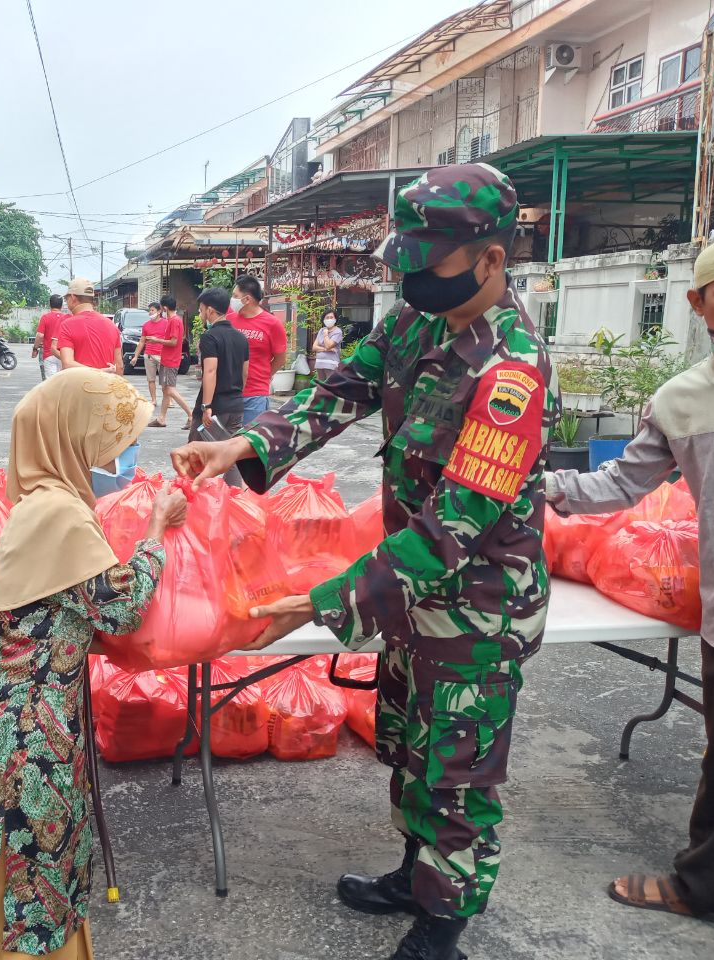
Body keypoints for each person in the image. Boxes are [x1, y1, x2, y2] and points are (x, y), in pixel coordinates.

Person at [171, 163, 556, 960]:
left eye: (431, 263)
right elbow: (339, 390)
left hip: (477, 603)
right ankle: (415, 876)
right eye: (405, 261)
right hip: (412, 594)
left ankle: (444, 922)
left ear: (491, 259)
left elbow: (455, 526)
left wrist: (325, 602)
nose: (412, 279)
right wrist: (244, 442)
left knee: (457, 767)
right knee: (411, 745)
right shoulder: (418, 322)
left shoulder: (509, 371)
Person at [545, 234, 714, 927]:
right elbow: (622, 481)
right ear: (698, 304)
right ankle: (700, 886)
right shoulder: (677, 400)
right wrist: (536, 488)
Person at [0, 368, 188, 960]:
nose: (125, 450)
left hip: (19, 723)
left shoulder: (42, 499)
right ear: (71, 435)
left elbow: (67, 608)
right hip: (26, 740)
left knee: (33, 874)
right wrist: (156, 529)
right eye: (115, 436)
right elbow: (120, 607)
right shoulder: (61, 513)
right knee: (28, 878)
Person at [189, 287, 249, 480]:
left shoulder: (210, 337)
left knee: (194, 455)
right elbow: (245, 372)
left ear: (210, 311)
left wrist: (207, 406)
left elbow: (210, 370)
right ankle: (234, 502)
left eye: (201, 310)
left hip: (214, 409)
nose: (200, 314)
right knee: (230, 457)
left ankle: (193, 501)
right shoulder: (241, 338)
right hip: (236, 406)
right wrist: (237, 396)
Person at [228, 275, 288, 425]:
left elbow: (280, 359)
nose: (232, 299)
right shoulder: (229, 320)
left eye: (235, 296)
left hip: (255, 396)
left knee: (250, 442)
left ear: (247, 299)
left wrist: (265, 377)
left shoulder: (272, 324)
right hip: (229, 393)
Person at [146, 294, 192, 430]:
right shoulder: (173, 320)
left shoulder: (174, 321)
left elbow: (174, 342)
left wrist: (156, 340)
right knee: (166, 390)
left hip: (171, 360)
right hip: (168, 359)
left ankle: (191, 415)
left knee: (170, 390)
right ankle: (161, 418)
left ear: (164, 308)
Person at [57, 278, 121, 372]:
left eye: (66, 298)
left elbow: (67, 364)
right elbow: (119, 366)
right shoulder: (112, 326)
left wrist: (99, 371)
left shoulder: (67, 325)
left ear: (73, 297)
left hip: (79, 385)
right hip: (106, 385)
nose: (66, 301)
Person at [129, 301, 164, 408]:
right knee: (151, 379)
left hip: (163, 355)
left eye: (152, 310)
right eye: (150, 310)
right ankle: (153, 400)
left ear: (159, 311)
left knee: (165, 380)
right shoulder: (146, 325)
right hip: (149, 355)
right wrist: (135, 356)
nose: (150, 312)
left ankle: (168, 399)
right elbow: (142, 342)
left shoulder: (166, 323)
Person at [34, 294, 67, 380]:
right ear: (62, 305)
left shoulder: (45, 317)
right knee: (62, 381)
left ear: (50, 304)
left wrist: (35, 349)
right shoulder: (66, 318)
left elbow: (40, 335)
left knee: (51, 383)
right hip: (63, 354)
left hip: (49, 354)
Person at [311, 309, 344, 383]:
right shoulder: (321, 330)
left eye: (331, 317)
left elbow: (328, 345)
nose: (329, 319)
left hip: (331, 364)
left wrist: (326, 334)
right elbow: (314, 347)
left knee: (330, 384)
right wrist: (326, 349)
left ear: (335, 319)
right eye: (327, 317)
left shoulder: (337, 331)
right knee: (321, 385)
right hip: (320, 362)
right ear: (323, 320)